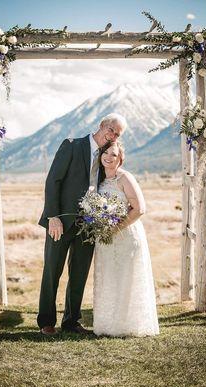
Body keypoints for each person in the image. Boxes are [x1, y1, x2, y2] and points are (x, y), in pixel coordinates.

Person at [37, 113, 127, 335]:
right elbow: (53, 181)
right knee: (52, 270)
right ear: (101, 125)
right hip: (62, 221)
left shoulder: (106, 155)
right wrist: (52, 217)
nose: (113, 136)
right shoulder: (72, 145)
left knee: (79, 273)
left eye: (117, 134)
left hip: (89, 224)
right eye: (111, 130)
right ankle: (46, 322)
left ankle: (71, 322)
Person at [93, 141, 159, 337]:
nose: (108, 157)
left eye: (113, 154)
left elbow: (140, 208)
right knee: (110, 278)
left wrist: (115, 228)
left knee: (127, 279)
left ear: (120, 158)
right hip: (105, 239)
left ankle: (129, 325)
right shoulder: (99, 180)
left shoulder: (125, 178)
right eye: (105, 152)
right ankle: (108, 325)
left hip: (126, 236)